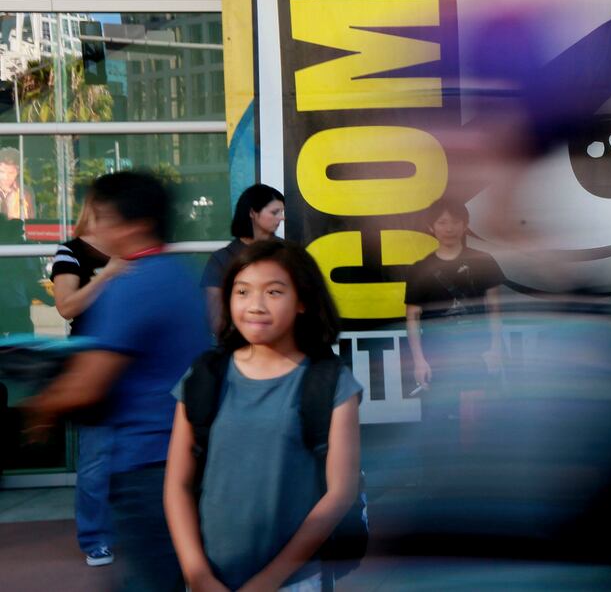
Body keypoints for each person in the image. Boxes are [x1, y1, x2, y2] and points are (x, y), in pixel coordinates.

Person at [24, 171, 212, 592]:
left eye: (101, 216)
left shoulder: (133, 285)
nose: (93, 227)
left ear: (135, 224)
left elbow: (88, 383)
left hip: (148, 462)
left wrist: (39, 410)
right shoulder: (180, 276)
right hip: (183, 453)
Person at [165, 238, 362, 592]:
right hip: (208, 580)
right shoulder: (204, 377)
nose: (254, 306)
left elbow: (340, 494)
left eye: (273, 292)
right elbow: (177, 484)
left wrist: (268, 582)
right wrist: (198, 575)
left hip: (295, 582)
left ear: (302, 301)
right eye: (242, 291)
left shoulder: (330, 382)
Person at [52, 198, 116, 568]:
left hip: (133, 360)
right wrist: (108, 274)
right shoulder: (72, 251)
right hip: (91, 362)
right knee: (95, 458)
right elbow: (66, 306)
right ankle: (95, 538)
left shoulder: (133, 249)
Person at [404, 197, 506, 426]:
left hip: (476, 352)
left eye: (455, 221)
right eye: (441, 222)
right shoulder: (420, 269)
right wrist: (419, 361)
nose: (449, 228)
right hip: (437, 354)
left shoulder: (483, 261)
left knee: (476, 420)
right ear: (431, 227)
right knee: (438, 420)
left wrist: (495, 349)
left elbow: (495, 309)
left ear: (465, 224)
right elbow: (412, 318)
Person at [202, 184, 285, 334]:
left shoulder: (289, 253)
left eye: (282, 212)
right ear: (253, 212)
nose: (282, 217)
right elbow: (216, 321)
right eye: (275, 212)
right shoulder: (222, 259)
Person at [0, 147, 34, 220]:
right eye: (2, 172)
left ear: (18, 172)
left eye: (11, 173)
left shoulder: (25, 193)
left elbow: (31, 220)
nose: (6, 177)